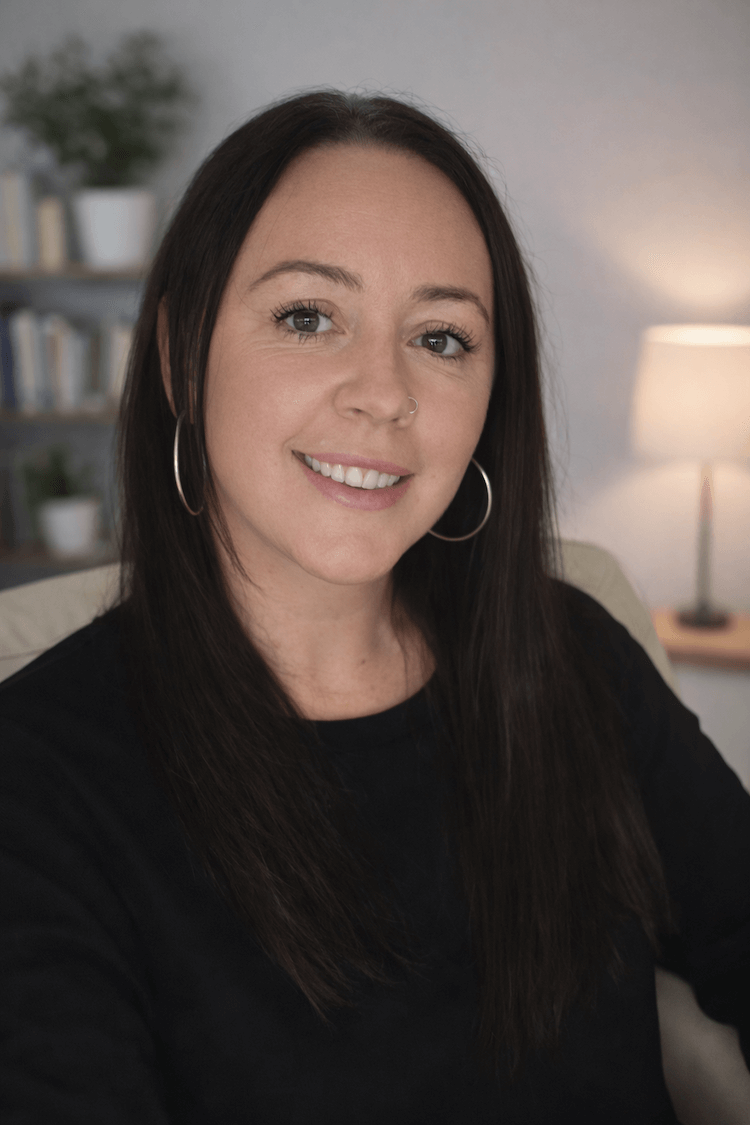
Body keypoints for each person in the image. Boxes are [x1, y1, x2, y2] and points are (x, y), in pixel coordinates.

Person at [1, 90, 748, 1124]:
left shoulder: (572, 656)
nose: (384, 392)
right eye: (309, 317)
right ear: (180, 356)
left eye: (442, 338)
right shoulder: (36, 770)